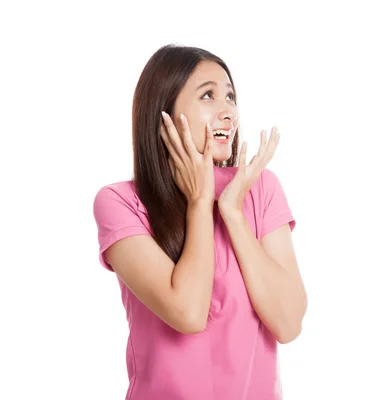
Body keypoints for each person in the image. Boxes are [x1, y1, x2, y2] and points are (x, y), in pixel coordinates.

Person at [92, 44, 307, 400]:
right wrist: (198, 202)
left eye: (231, 97)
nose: (228, 112)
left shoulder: (259, 188)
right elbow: (189, 313)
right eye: (208, 95)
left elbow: (288, 324)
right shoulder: (120, 203)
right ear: (164, 111)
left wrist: (233, 212)